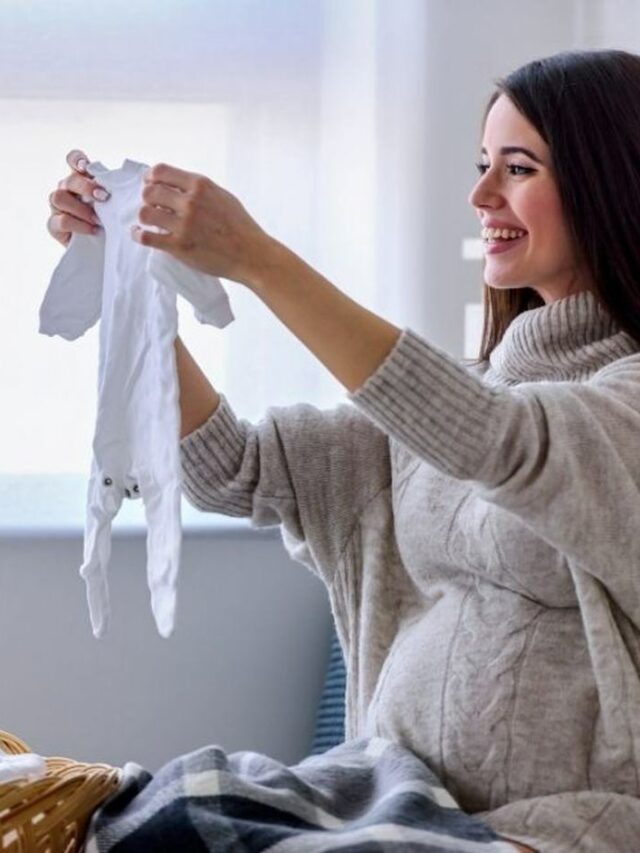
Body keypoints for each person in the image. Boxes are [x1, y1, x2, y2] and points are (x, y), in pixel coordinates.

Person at [44, 48, 640, 852]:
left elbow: (505, 443)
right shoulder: (458, 397)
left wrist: (257, 258)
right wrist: (129, 272)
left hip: (561, 828)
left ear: (611, 182)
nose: (481, 194)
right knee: (125, 818)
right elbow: (234, 471)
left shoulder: (615, 403)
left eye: (518, 168)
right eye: (481, 164)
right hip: (384, 794)